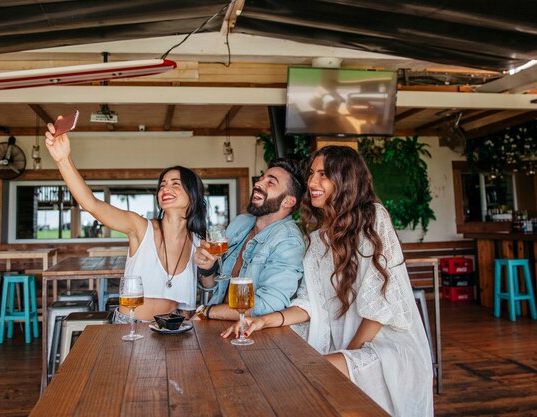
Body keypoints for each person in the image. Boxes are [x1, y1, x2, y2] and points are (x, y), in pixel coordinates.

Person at [222, 146, 433, 416]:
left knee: (301, 378)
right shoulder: (317, 238)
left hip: (383, 348)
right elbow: (309, 303)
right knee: (278, 371)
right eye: (311, 174)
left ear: (345, 179)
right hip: (344, 344)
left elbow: (380, 306)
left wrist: (347, 355)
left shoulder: (373, 218)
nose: (312, 182)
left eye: (323, 174)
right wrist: (264, 320)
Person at [45, 117, 207, 322]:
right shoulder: (140, 227)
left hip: (175, 332)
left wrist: (209, 268)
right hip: (131, 330)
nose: (165, 188)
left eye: (175, 184)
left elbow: (208, 284)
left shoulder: (198, 241)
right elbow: (92, 204)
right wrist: (63, 160)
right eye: (162, 184)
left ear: (192, 195)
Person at [193, 158, 305, 320]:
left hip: (255, 335)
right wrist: (207, 269)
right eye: (261, 179)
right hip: (219, 323)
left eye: (270, 182)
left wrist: (205, 312)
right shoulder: (241, 222)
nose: (258, 184)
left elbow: (269, 304)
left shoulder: (288, 241)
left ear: (289, 201)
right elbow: (215, 289)